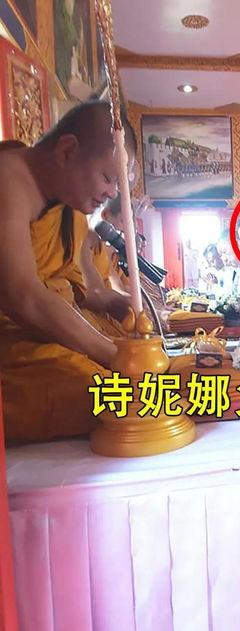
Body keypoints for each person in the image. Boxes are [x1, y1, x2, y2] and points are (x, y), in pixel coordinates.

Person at [0, 100, 137, 443]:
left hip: (47, 331)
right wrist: (113, 355)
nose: (112, 193)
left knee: (143, 361)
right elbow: (24, 297)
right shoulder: (8, 180)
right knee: (101, 389)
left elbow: (80, 291)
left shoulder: (67, 206)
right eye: (108, 178)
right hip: (13, 341)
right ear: (67, 151)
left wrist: (116, 307)